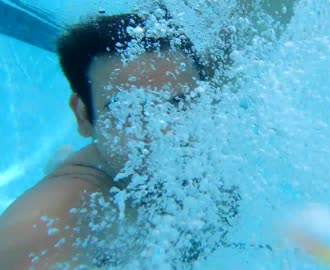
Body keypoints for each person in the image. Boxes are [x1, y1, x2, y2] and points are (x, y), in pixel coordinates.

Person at [0, 10, 209, 269]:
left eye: (179, 103)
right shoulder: (51, 220)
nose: (163, 131)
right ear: (83, 116)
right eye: (127, 110)